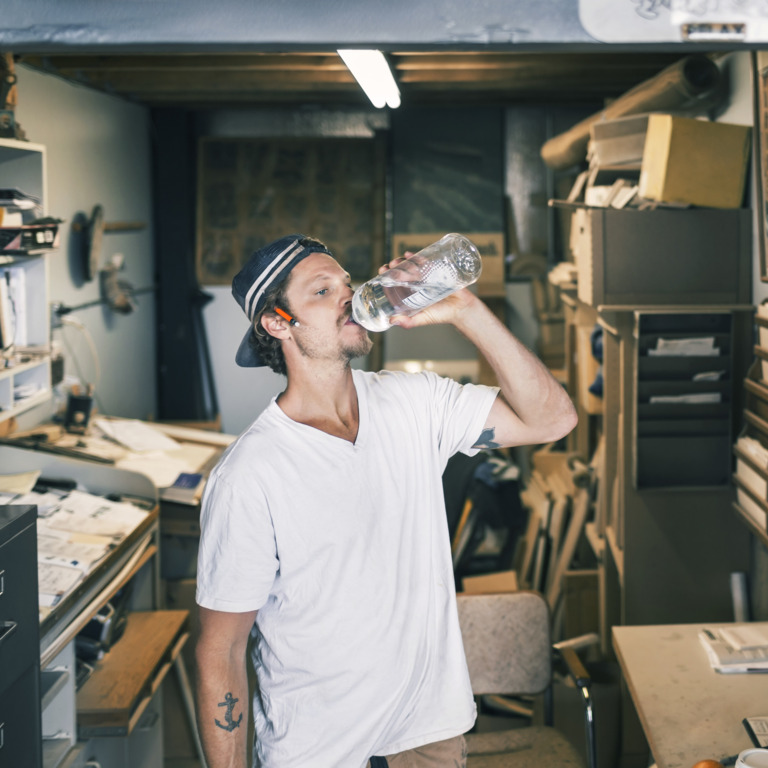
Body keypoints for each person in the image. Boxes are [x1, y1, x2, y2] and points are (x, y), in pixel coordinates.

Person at [194, 233, 577, 768]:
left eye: (347, 284)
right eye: (322, 291)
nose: (348, 297)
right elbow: (222, 650)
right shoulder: (250, 475)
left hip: (429, 740)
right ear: (278, 323)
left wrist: (466, 310)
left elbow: (553, 420)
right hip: (319, 754)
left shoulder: (414, 403)